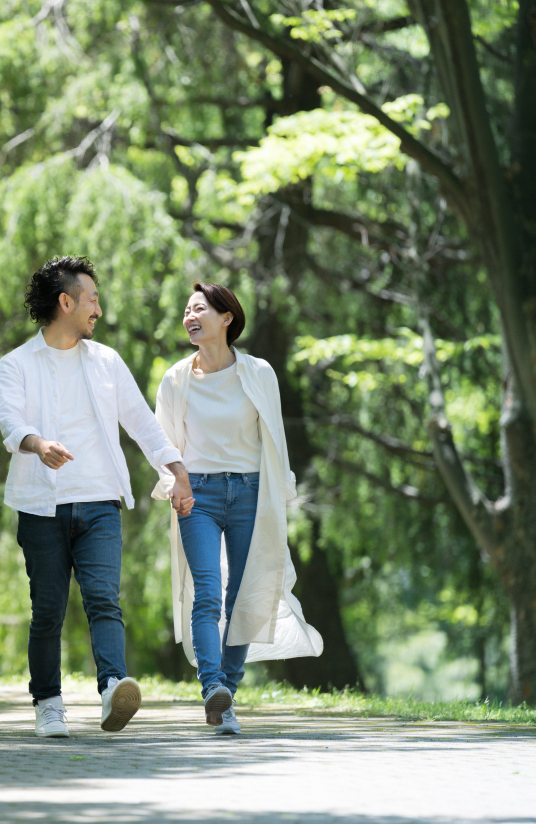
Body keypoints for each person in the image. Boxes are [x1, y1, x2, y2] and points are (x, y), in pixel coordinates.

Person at [0, 257, 194, 739]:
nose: (98, 310)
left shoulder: (106, 360)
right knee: (49, 609)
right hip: (41, 506)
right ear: (65, 302)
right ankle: (48, 704)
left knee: (105, 600)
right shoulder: (16, 363)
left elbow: (142, 422)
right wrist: (39, 445)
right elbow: (10, 423)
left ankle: (112, 691)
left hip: (100, 501)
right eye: (92, 299)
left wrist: (176, 468)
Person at [153, 282, 323, 735]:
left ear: (226, 317)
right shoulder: (175, 379)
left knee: (246, 596)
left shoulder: (259, 372)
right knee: (207, 591)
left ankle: (227, 694)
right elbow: (162, 442)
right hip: (198, 495)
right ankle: (213, 687)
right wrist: (173, 483)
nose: (190, 316)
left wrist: (281, 493)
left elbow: (276, 437)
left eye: (199, 308)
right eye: (186, 310)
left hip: (251, 494)